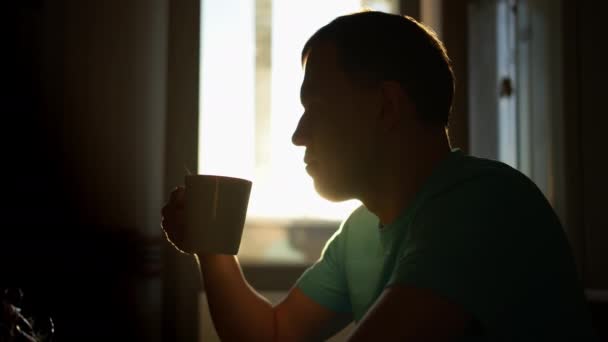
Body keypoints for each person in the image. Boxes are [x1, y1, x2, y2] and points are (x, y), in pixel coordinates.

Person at [161, 11, 597, 341]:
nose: (297, 135)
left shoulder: (484, 203)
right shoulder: (363, 231)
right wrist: (213, 249)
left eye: (315, 108)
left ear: (386, 107)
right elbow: (275, 334)